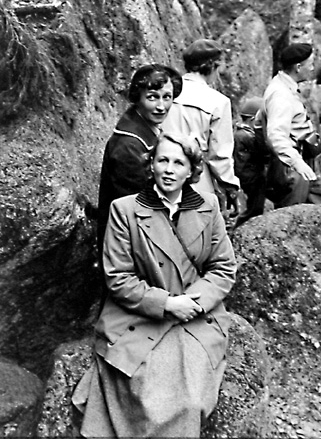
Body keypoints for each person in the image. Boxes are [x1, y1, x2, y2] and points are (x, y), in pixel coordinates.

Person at [73, 132, 237, 438]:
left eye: (179, 163)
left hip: (195, 316)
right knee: (143, 392)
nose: (169, 170)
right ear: (151, 165)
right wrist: (166, 304)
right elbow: (118, 277)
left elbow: (223, 267)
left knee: (191, 401)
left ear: (192, 170)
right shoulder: (125, 210)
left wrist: (194, 302)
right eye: (162, 160)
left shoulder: (209, 206)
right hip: (140, 314)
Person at [97, 64, 183, 284]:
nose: (161, 106)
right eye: (152, 97)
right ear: (137, 97)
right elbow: (138, 209)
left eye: (167, 97)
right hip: (129, 246)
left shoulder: (144, 129)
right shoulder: (129, 145)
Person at [162, 39, 240, 211]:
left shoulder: (167, 92)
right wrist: (231, 187)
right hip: (196, 176)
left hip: (162, 169)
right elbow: (219, 155)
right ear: (212, 66)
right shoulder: (218, 102)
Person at [258, 42, 321, 208]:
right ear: (298, 67)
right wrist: (297, 163)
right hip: (292, 169)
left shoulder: (284, 87)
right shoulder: (280, 95)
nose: (312, 68)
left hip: (300, 163)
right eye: (310, 64)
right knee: (291, 215)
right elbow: (276, 135)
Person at [232, 96, 268, 228]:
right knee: (254, 209)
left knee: (254, 207)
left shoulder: (239, 133)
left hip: (247, 176)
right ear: (253, 120)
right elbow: (263, 154)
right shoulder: (248, 136)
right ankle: (240, 230)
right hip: (251, 178)